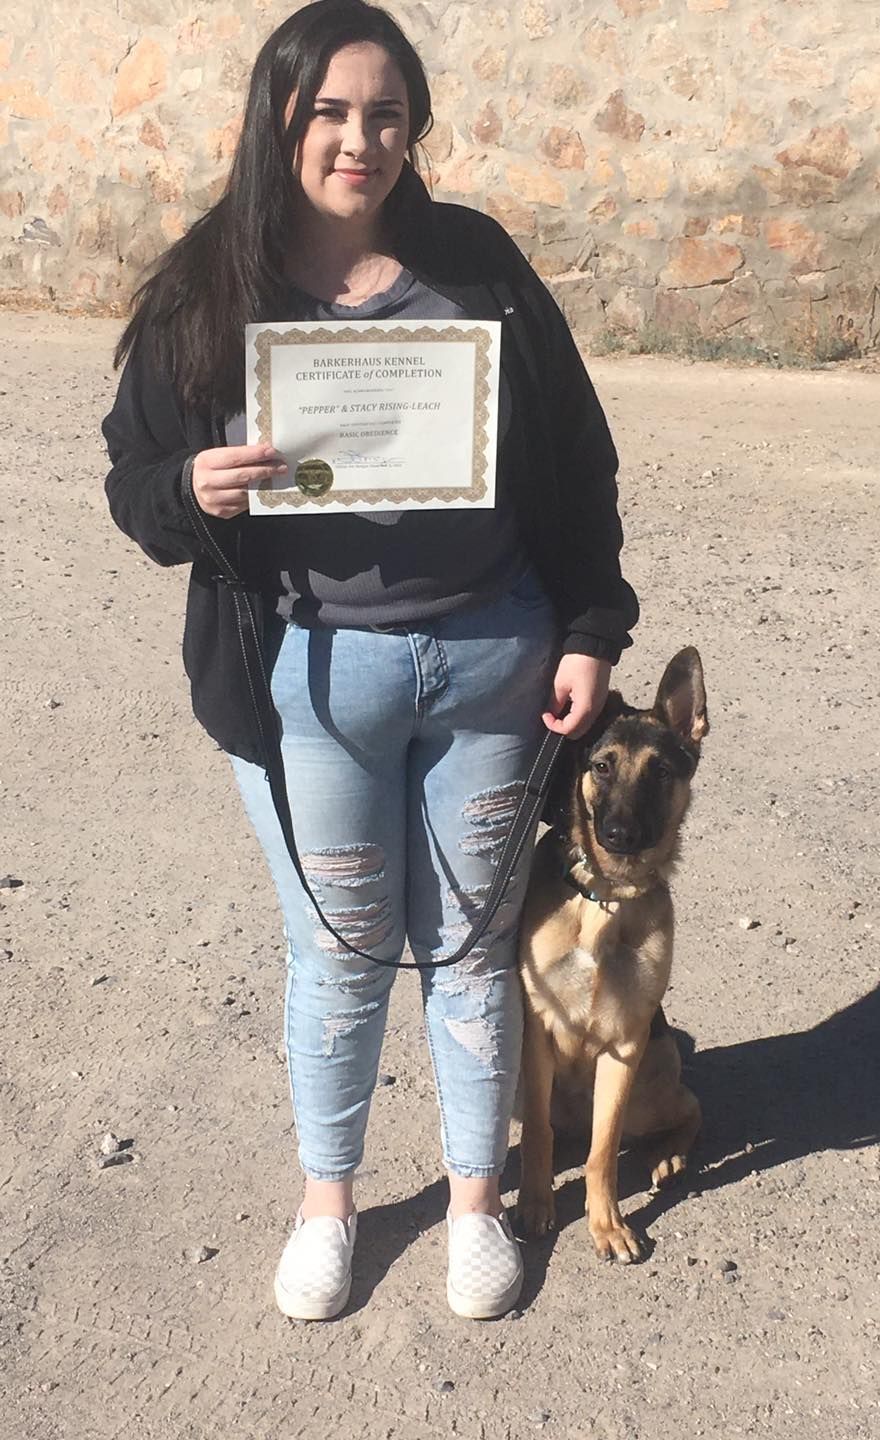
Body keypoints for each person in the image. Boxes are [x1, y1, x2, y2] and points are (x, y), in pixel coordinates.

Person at [102, 0, 637, 1323]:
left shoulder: (479, 266)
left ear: (416, 129)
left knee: (468, 948)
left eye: (386, 113)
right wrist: (191, 490)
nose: (359, 139)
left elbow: (574, 461)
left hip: (493, 667)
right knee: (335, 953)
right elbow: (131, 481)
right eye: (330, 111)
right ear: (278, 115)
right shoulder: (202, 289)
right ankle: (329, 1203)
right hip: (310, 677)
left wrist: (586, 629)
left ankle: (473, 1204)